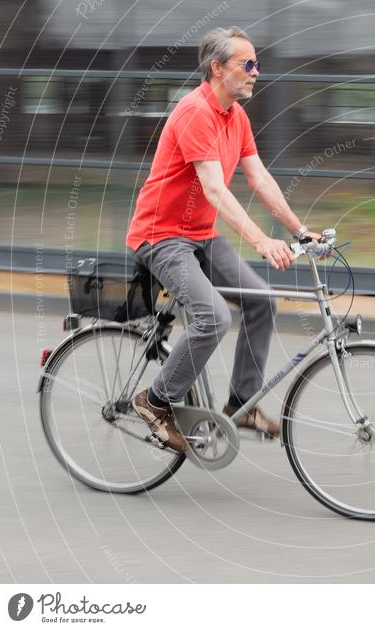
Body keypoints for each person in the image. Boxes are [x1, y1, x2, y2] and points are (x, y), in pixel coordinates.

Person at [126, 26, 318, 453]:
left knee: (261, 300)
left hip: (201, 235)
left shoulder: (236, 116)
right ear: (217, 68)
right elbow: (214, 189)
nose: (255, 72)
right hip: (163, 236)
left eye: (257, 64)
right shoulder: (196, 112)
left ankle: (240, 405)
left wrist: (298, 230)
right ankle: (155, 402)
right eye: (245, 64)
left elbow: (258, 177)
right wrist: (261, 242)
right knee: (213, 317)